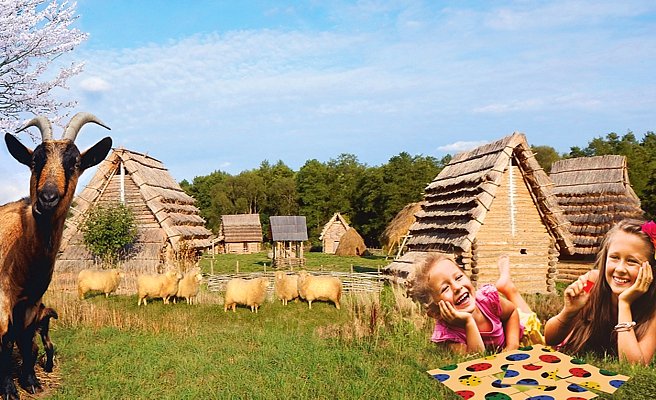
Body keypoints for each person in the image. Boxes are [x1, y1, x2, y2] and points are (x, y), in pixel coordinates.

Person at [544, 218, 656, 365]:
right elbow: (550, 339)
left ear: (651, 269)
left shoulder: (653, 306)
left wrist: (625, 303)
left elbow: (633, 366)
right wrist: (569, 312)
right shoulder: (592, 282)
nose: (620, 269)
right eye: (614, 258)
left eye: (632, 261)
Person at [410, 254, 544, 354]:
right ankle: (507, 286)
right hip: (498, 328)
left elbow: (512, 313)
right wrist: (468, 322)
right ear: (435, 313)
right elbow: (476, 359)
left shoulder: (487, 299)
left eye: (458, 277)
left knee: (531, 320)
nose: (457, 287)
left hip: (516, 331)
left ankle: (508, 287)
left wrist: (512, 347)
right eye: (445, 288)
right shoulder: (448, 336)